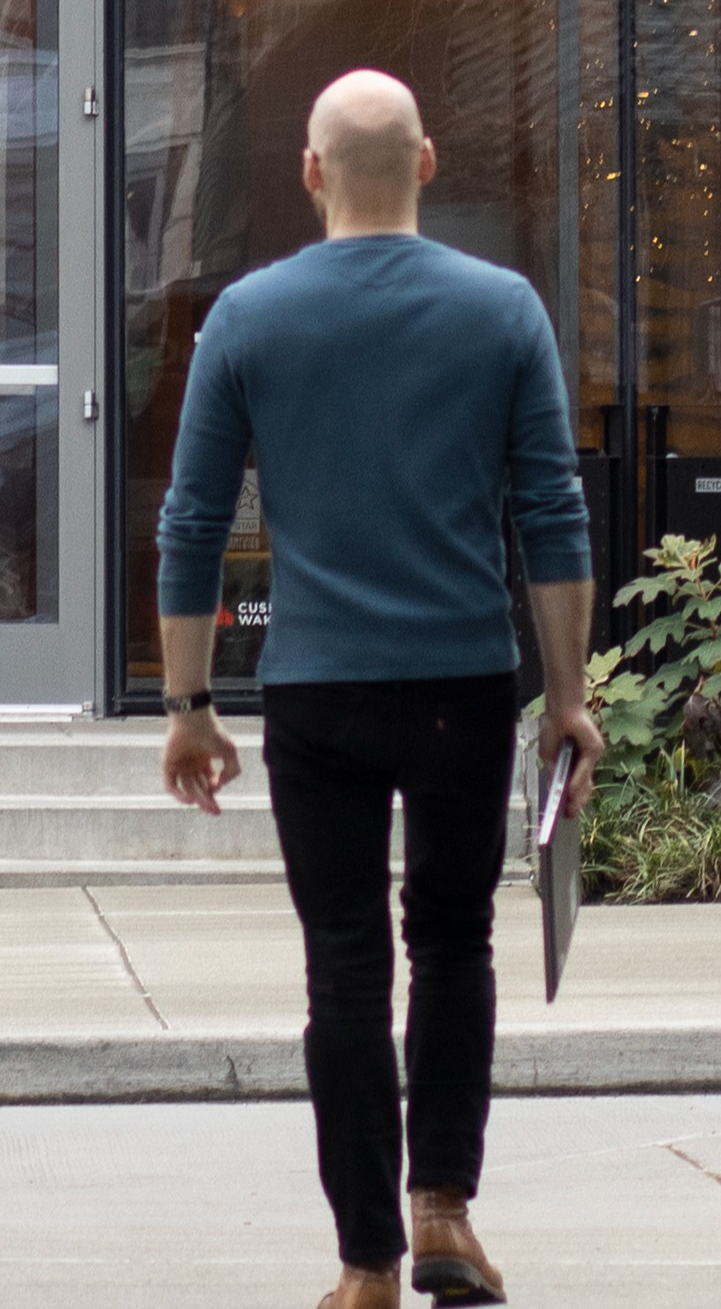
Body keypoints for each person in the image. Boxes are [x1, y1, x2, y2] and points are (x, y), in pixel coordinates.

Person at [154, 68, 598, 1309]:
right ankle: (442, 1209)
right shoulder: (502, 310)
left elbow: (191, 523)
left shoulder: (247, 317)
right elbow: (551, 513)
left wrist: (187, 706)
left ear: (309, 172)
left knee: (342, 965)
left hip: (318, 688)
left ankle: (365, 1266)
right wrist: (565, 698)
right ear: (426, 161)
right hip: (462, 677)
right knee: (453, 940)